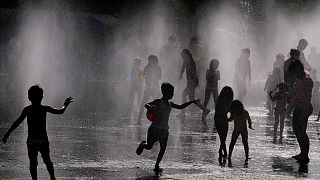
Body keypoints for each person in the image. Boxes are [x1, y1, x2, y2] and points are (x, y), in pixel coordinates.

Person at [1, 85, 73, 180]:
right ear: (42, 97)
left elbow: (17, 123)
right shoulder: (44, 109)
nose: (28, 97)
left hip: (31, 141)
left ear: (30, 97)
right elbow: (60, 111)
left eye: (29, 95)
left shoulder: (27, 110)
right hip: (43, 140)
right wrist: (65, 105)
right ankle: (53, 178)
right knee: (47, 161)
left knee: (33, 163)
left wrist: (7, 134)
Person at [136, 82, 199, 173]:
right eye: (171, 92)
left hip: (164, 129)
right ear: (165, 92)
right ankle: (143, 144)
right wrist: (152, 108)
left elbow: (180, 107)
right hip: (154, 128)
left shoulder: (170, 104)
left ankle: (157, 165)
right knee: (149, 146)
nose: (173, 94)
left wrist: (192, 102)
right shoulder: (158, 101)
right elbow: (146, 105)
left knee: (163, 147)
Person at [288, 60, 313, 163]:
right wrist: (290, 98)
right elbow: (295, 92)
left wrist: (305, 110)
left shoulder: (307, 80)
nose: (293, 75)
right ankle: (302, 152)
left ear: (298, 70)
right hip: (298, 107)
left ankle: (305, 154)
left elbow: (308, 96)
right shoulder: (298, 79)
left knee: (302, 131)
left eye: (294, 72)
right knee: (296, 130)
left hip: (304, 108)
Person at [178, 49, 209, 120]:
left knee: (184, 95)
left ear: (186, 54)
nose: (181, 56)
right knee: (190, 98)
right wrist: (181, 75)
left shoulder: (190, 61)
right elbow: (183, 68)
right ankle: (204, 109)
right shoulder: (186, 60)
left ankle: (183, 112)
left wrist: (196, 81)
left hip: (192, 82)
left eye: (182, 55)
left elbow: (194, 72)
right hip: (190, 82)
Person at [228, 100, 254, 167]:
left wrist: (225, 119)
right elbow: (249, 119)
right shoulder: (244, 112)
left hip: (237, 129)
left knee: (233, 142)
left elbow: (231, 119)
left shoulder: (235, 112)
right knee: (245, 143)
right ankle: (247, 156)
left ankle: (230, 155)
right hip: (243, 130)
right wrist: (250, 125)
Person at [137, 55, 161, 124]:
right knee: (143, 104)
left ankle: (158, 120)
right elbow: (142, 78)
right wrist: (140, 75)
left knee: (157, 105)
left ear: (156, 61)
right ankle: (138, 120)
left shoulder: (158, 68)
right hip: (148, 89)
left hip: (155, 89)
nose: (151, 62)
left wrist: (152, 73)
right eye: (150, 61)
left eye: (153, 61)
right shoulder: (146, 67)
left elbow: (159, 78)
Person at [214, 86, 234, 166]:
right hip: (223, 119)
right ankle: (224, 152)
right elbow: (228, 111)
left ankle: (222, 151)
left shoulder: (219, 99)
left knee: (222, 137)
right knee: (223, 137)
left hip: (217, 119)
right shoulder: (227, 101)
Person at [283, 49, 300, 118]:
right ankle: (287, 113)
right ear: (294, 55)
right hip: (290, 83)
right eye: (298, 55)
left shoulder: (288, 62)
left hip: (289, 82)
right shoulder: (291, 62)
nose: (298, 57)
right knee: (293, 98)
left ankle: (286, 112)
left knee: (291, 98)